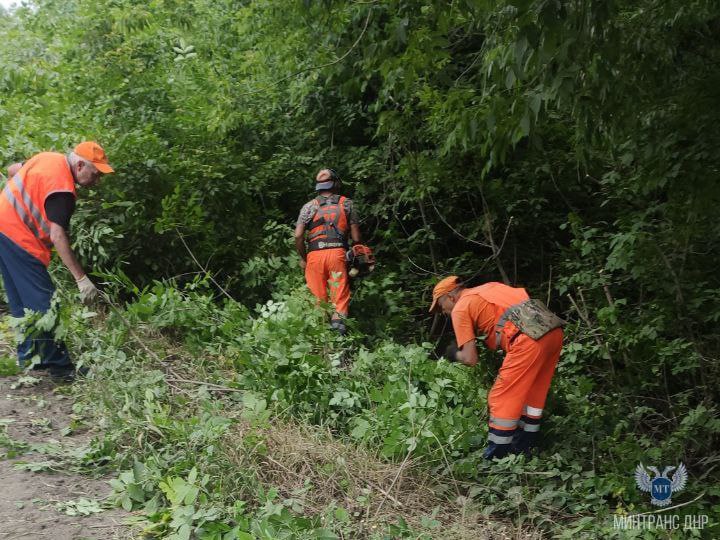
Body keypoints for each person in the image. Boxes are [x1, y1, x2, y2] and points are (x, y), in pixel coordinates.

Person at [0, 141, 114, 380]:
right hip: (17, 237)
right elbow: (58, 235)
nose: (97, 182)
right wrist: (81, 279)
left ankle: (30, 359)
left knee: (22, 301)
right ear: (80, 165)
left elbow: (12, 170)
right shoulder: (63, 191)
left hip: (2, 225)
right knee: (45, 302)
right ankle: (60, 368)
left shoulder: (47, 158)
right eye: (95, 174)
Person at [429, 276, 564, 459]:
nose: (443, 311)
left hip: (527, 340)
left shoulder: (460, 308)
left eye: (440, 305)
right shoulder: (489, 287)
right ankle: (526, 448)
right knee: (533, 393)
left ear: (450, 297)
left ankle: (496, 457)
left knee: (501, 397)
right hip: (552, 331)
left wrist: (453, 354)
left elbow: (470, 359)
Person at [294, 168, 361, 334]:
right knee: (339, 301)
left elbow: (298, 236)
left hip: (314, 256)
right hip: (338, 255)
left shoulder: (309, 206)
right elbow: (357, 238)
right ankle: (339, 343)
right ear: (336, 184)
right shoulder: (347, 204)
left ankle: (322, 344)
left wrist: (304, 258)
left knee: (318, 302)